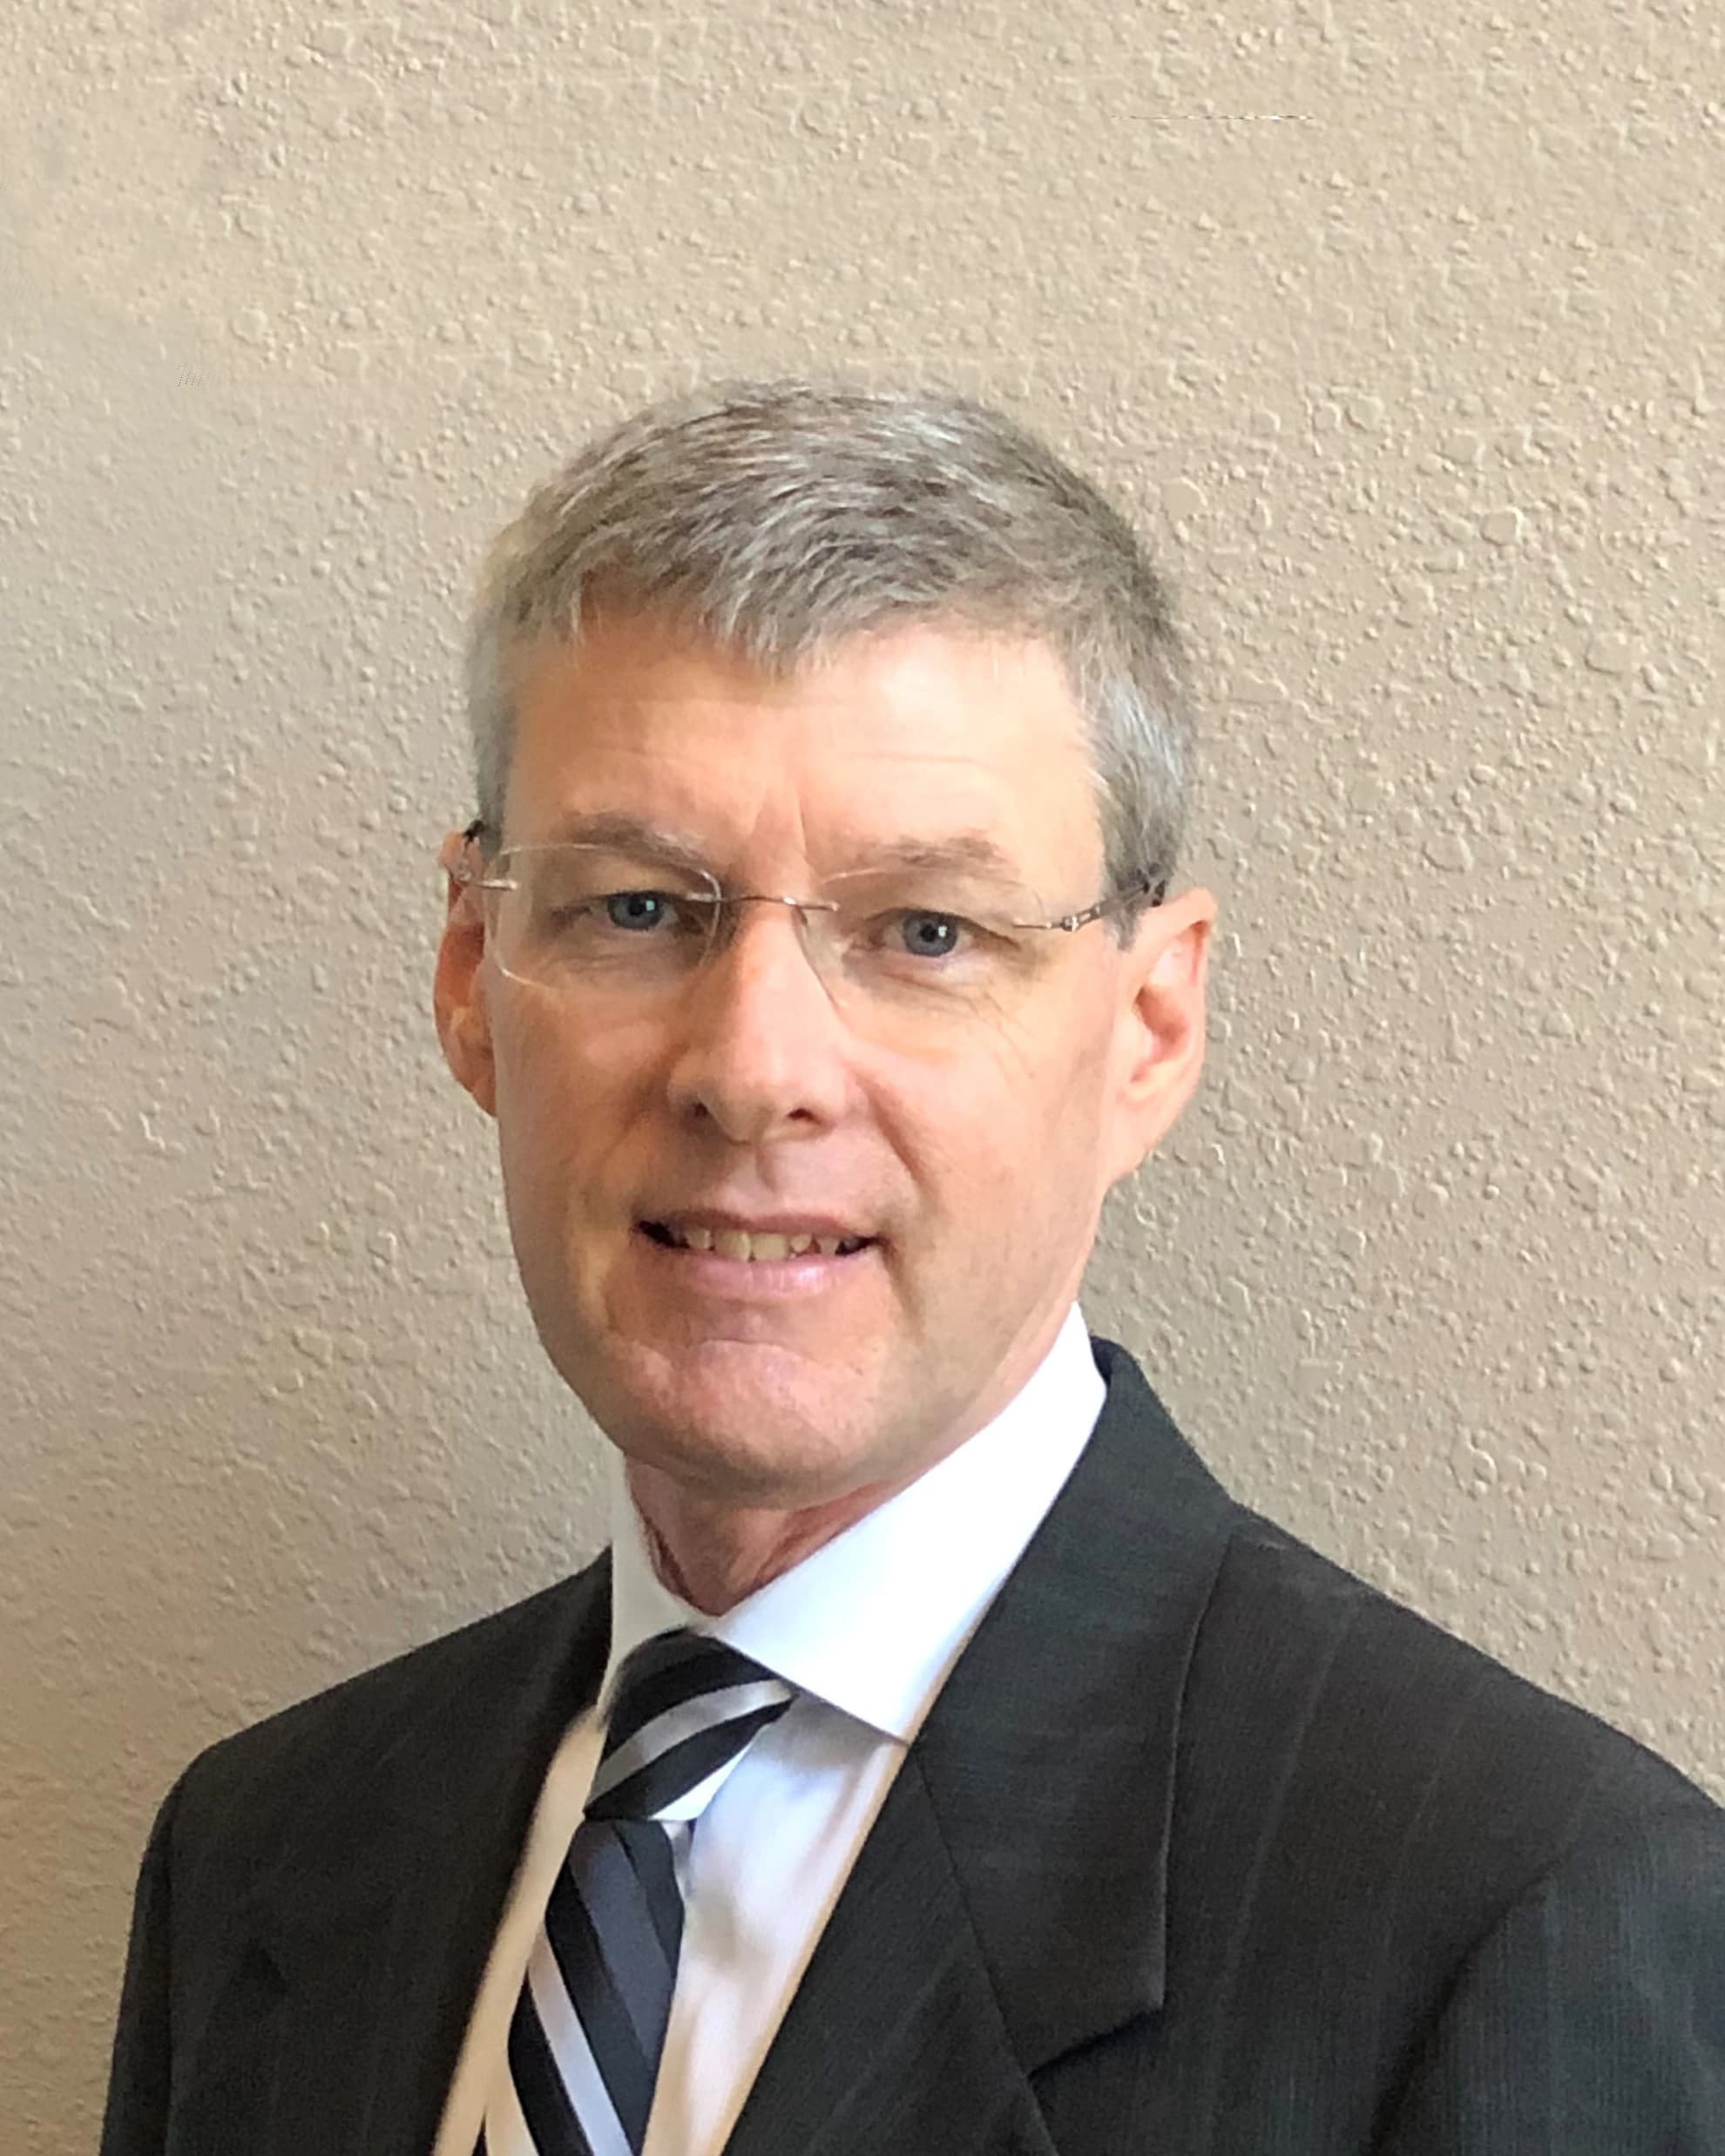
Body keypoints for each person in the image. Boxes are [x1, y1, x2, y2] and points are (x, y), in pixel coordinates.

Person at [100, 380, 1725, 2156]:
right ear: (472, 978)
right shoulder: (269, 1853)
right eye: (639, 906)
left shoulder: (1510, 1917)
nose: (754, 1065)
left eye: (926, 931)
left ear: (1149, 1023)